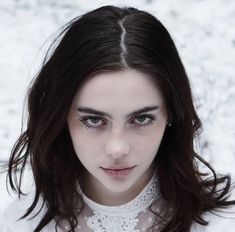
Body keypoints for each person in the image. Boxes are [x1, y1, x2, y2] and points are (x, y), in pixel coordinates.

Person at [1, 5, 235, 232]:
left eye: (142, 119)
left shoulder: (222, 224)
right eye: (94, 120)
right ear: (61, 116)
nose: (117, 149)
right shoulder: (21, 225)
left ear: (171, 113)